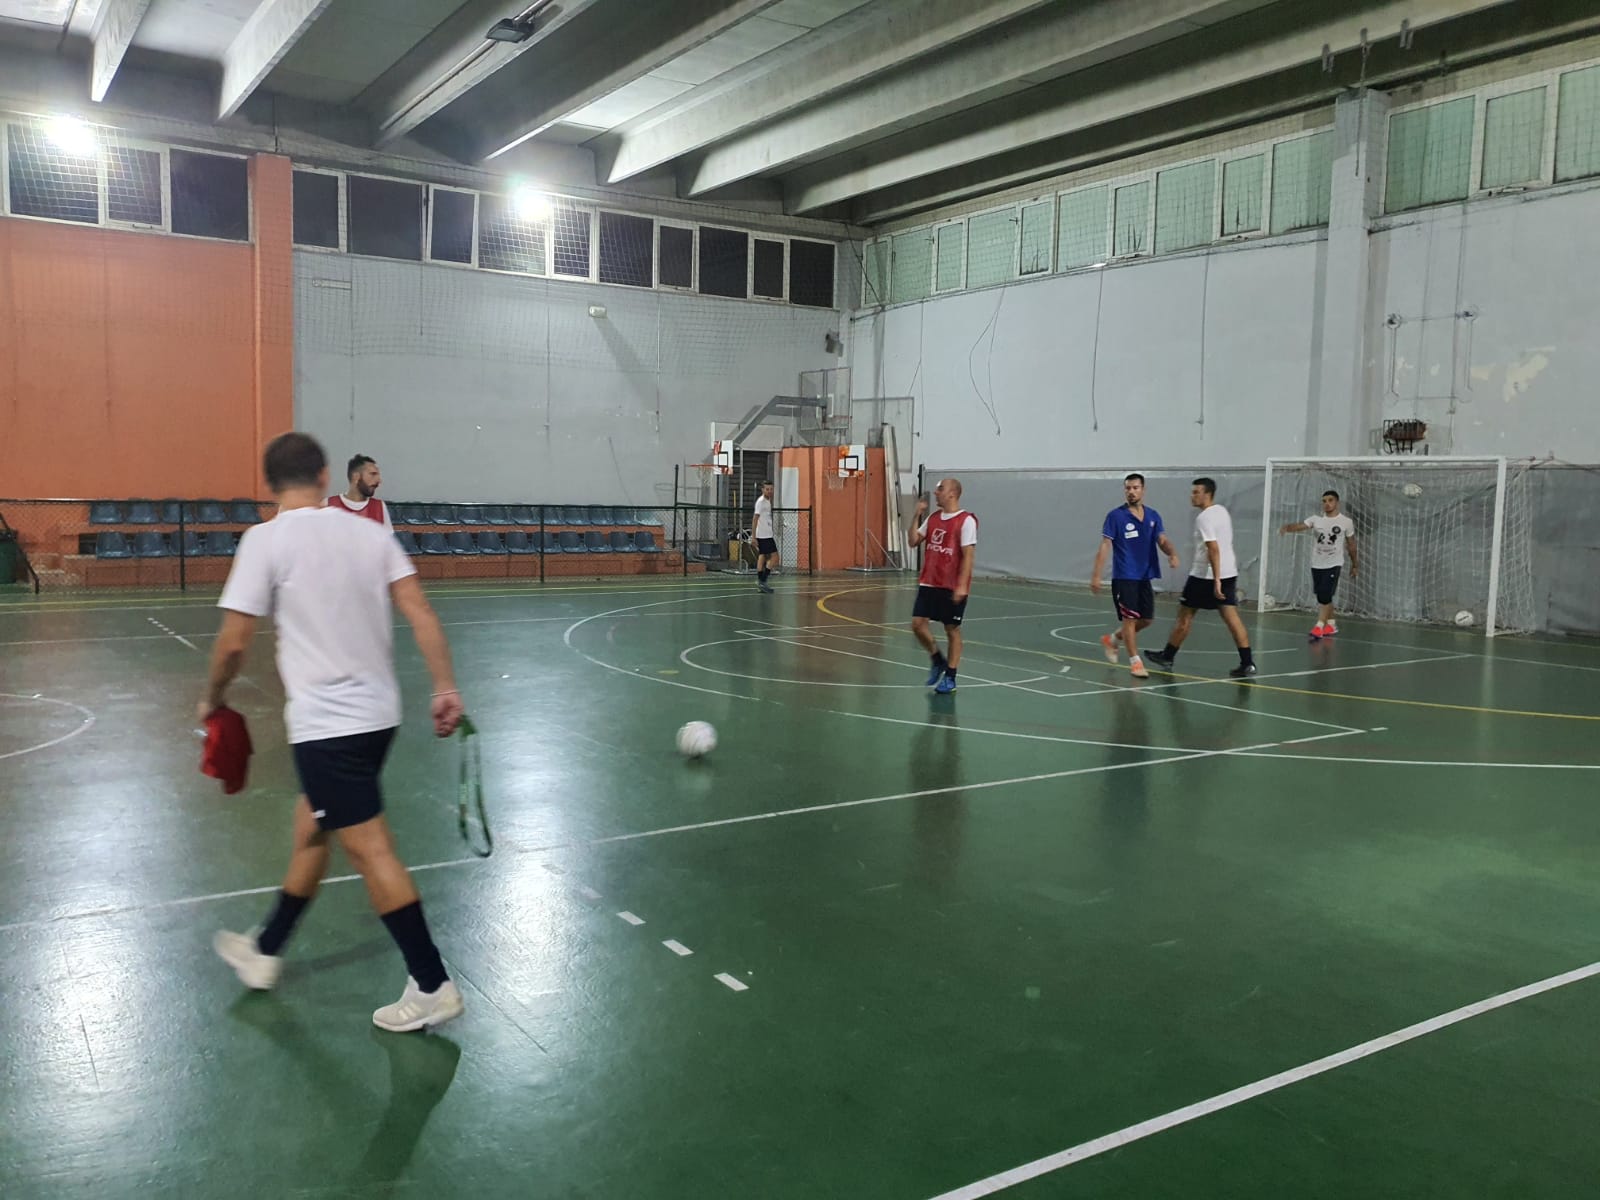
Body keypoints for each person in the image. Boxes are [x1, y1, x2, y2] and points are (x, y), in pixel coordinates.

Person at [202, 432, 467, 1032]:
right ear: (324, 476)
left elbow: (235, 642)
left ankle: (431, 983)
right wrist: (445, 686)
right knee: (312, 825)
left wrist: (211, 699)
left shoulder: (264, 540)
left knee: (369, 849)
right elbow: (420, 611)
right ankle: (266, 950)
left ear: (269, 484)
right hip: (378, 719)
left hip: (327, 729)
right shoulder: (370, 534)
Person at [1143, 477, 1256, 678]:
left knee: (1185, 614)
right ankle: (1248, 663)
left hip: (1205, 576)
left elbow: (1213, 548)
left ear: (1207, 494)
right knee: (1231, 617)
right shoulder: (1222, 511)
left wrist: (1216, 580)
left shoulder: (1204, 518)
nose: (1192, 496)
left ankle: (1167, 656)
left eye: (1196, 492)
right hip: (1229, 572)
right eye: (1192, 492)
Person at [1090, 472, 1180, 679]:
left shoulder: (1153, 516)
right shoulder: (1116, 516)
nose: (1131, 492)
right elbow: (1105, 546)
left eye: (1135, 488)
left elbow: (1162, 540)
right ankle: (1135, 662)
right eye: (1128, 488)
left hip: (1144, 576)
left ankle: (1113, 639)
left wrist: (1172, 553)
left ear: (1143, 490)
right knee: (1129, 619)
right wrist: (1096, 575)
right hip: (1125, 576)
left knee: (1146, 620)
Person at [908, 478, 977, 695]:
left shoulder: (966, 521)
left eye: (941, 489)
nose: (936, 492)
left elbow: (968, 556)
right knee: (917, 624)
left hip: (951, 584)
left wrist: (962, 586)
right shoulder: (933, 518)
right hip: (929, 581)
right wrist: (917, 514)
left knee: (951, 629)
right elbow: (913, 541)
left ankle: (951, 676)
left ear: (952, 494)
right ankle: (937, 659)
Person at [1279, 489, 1359, 639]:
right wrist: (1287, 527)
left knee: (1324, 594)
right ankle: (1331, 624)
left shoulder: (1346, 522)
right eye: (1324, 501)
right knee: (1323, 596)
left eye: (1330, 500)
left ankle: (1319, 626)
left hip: (1334, 563)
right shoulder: (1316, 520)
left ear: (1337, 503)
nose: (1327, 504)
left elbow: (1352, 545)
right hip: (1317, 563)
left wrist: (1355, 565)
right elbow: (1300, 526)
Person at [328, 453, 393, 533]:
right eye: (373, 474)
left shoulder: (379, 507)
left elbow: (387, 539)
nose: (379, 480)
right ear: (356, 477)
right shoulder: (329, 505)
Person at [753, 480, 777, 594]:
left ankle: (760, 582)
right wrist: (753, 536)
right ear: (762, 490)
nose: (769, 491)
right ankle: (763, 580)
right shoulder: (761, 502)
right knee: (775, 557)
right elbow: (755, 519)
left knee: (762, 556)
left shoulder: (768, 501)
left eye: (771, 489)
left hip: (767, 533)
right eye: (767, 489)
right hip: (763, 535)